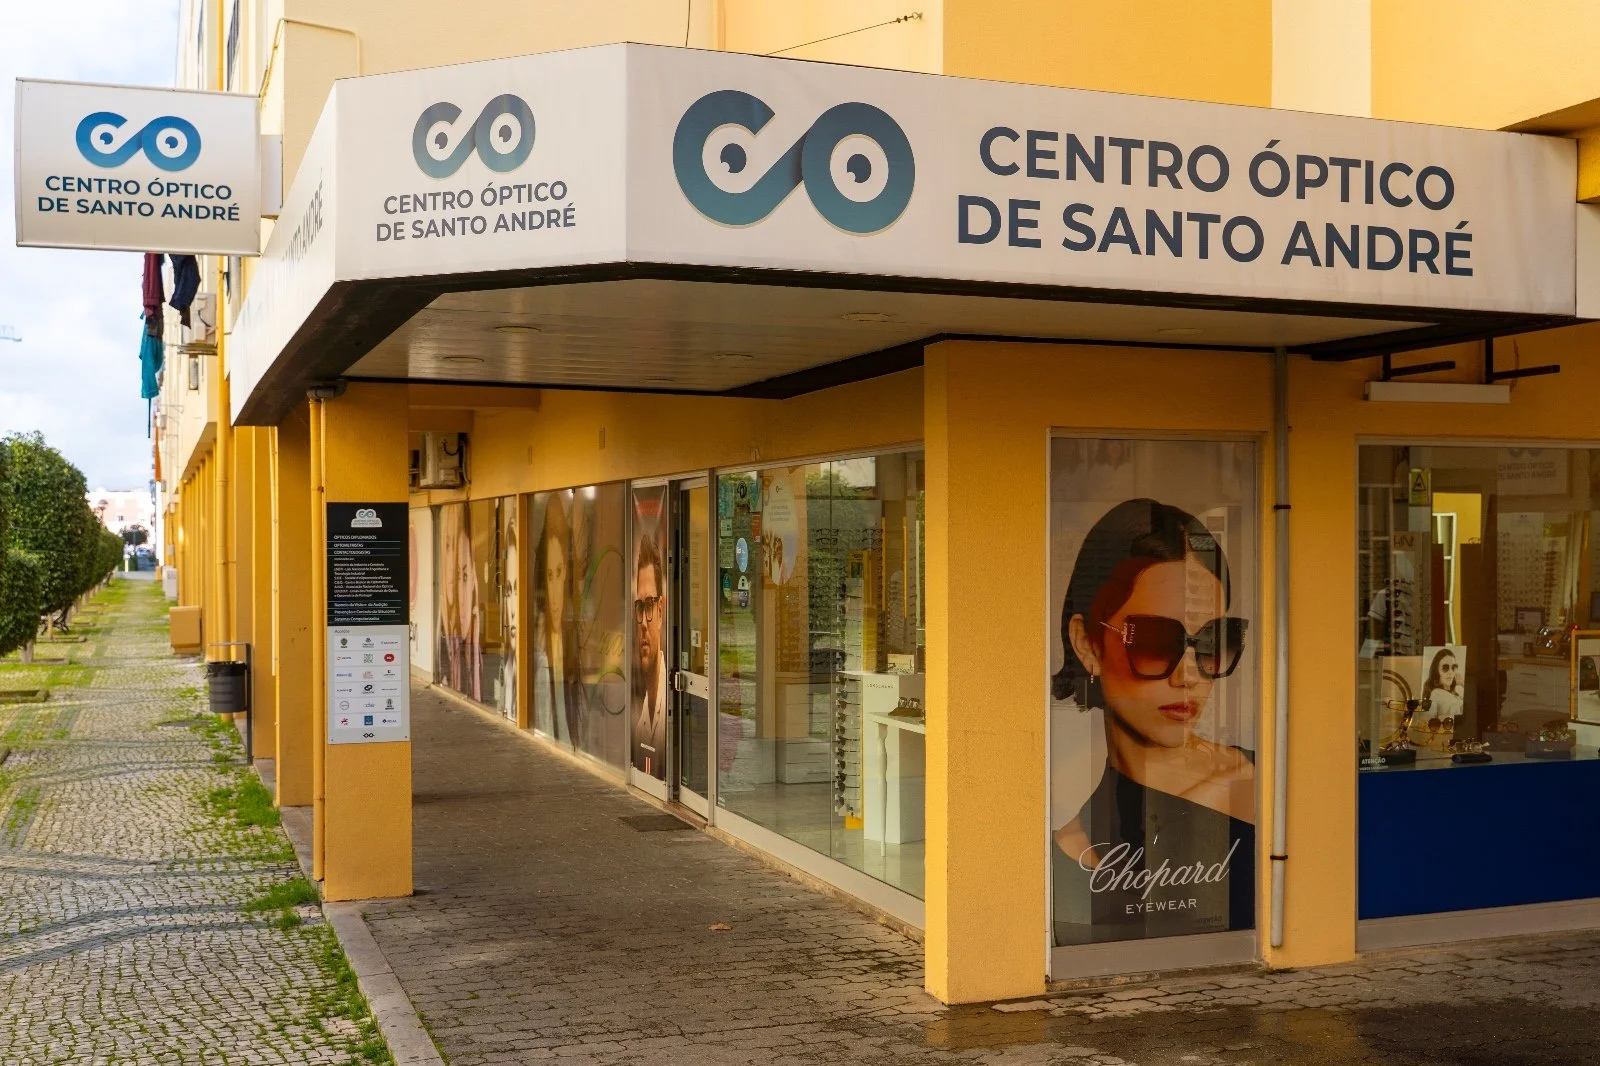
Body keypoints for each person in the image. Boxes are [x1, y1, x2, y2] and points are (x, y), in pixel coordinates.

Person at [1050, 498, 1254, 946]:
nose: (1189, 675)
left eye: (1212, 643)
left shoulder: (1256, 783)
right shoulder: (1071, 827)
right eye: (1155, 641)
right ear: (1087, 643)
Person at [534, 496, 579, 745]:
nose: (553, 587)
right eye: (548, 575)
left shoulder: (572, 639)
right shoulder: (541, 649)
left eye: (559, 572)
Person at [632, 532, 668, 778]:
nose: (644, 622)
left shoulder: (672, 711)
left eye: (650, 606)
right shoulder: (639, 729)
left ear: (661, 609)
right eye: (639, 607)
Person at [1422, 647, 1463, 720]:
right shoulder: (1436, 693)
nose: (1451, 672)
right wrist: (1463, 683)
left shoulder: (1455, 695)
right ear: (1437, 671)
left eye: (1453, 667)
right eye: (1445, 667)